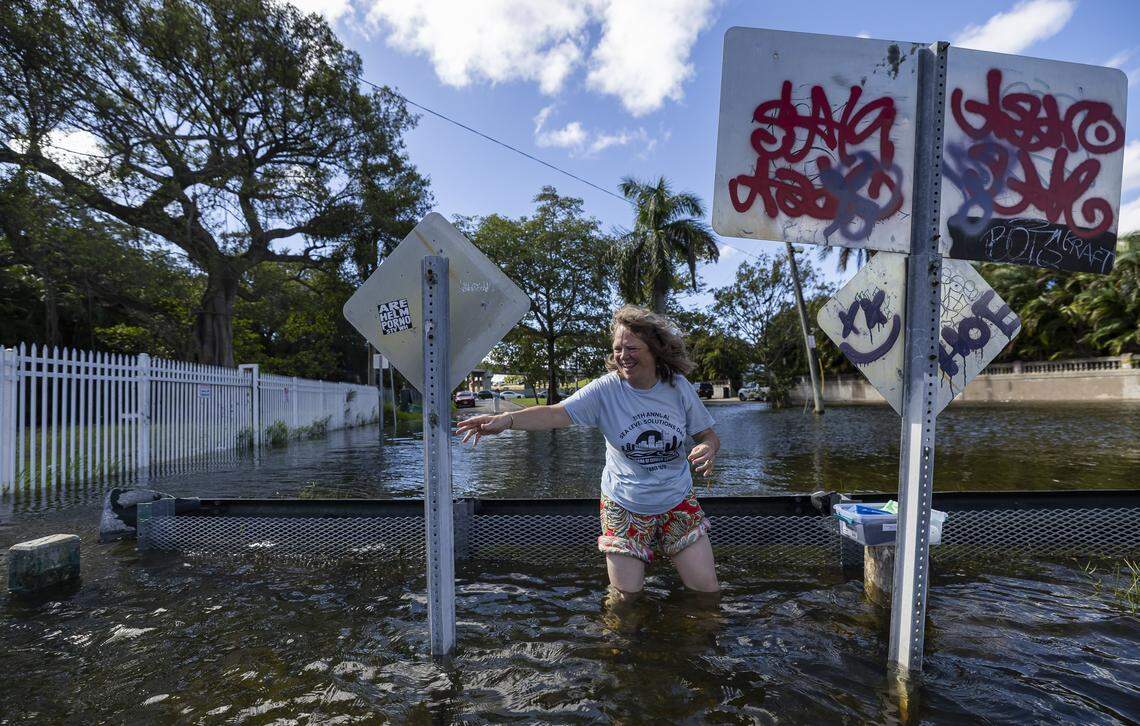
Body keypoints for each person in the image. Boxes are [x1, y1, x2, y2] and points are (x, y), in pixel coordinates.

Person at [456, 305, 721, 596]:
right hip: (625, 505)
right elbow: (556, 413)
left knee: (706, 593)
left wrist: (707, 448)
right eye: (617, 348)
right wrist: (505, 421)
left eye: (631, 348)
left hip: (677, 501)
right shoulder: (605, 390)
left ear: (654, 349)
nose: (622, 356)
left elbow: (707, 435)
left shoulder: (678, 387)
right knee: (625, 600)